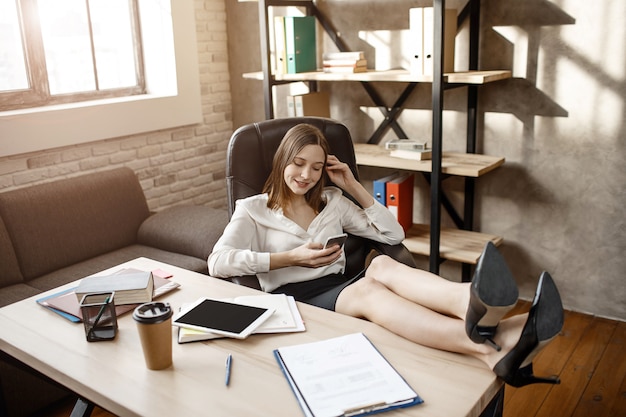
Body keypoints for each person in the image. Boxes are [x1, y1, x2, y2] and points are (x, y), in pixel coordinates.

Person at [209, 123, 564, 387]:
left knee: (381, 263)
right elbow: (218, 261)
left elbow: (393, 234)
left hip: (341, 284)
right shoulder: (253, 209)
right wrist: (287, 259)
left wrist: (352, 186)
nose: (306, 175)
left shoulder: (332, 202)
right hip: (297, 299)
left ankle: (471, 304)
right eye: (298, 164)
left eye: (316, 168)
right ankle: (489, 344)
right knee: (368, 290)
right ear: (283, 159)